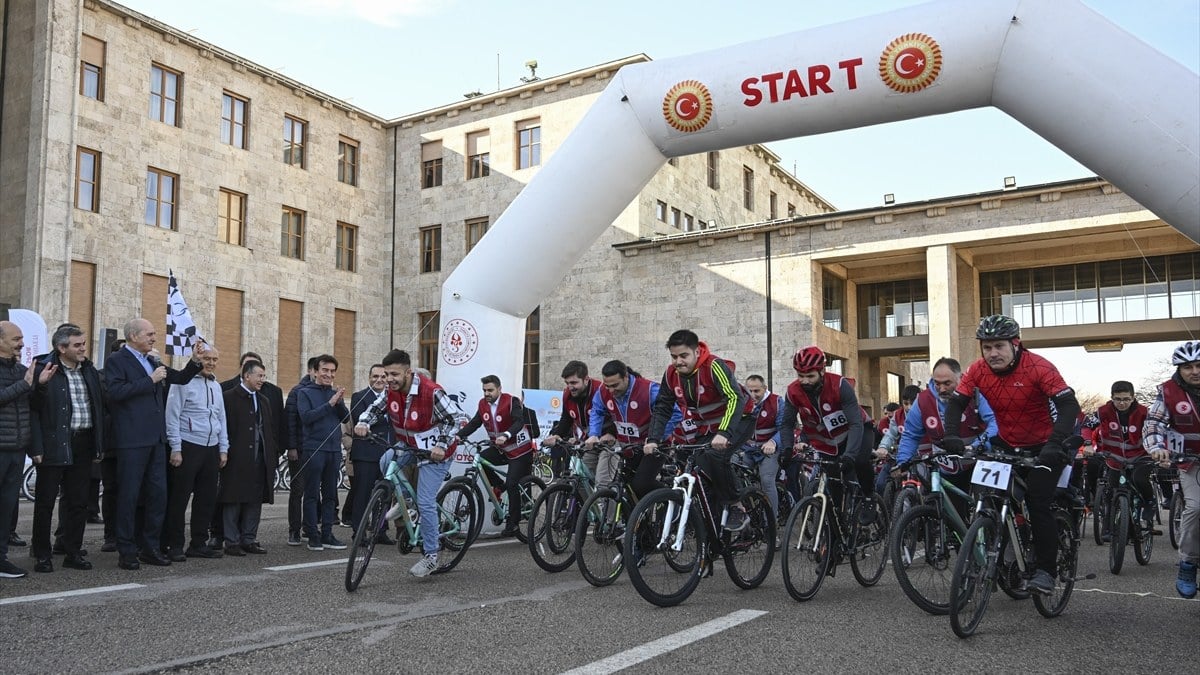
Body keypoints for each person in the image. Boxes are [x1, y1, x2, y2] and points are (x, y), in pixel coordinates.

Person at [942, 315, 1080, 595]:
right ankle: (1004, 556)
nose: (993, 353)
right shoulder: (978, 370)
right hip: (1007, 444)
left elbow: (1069, 406)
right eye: (987, 347)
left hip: (1045, 446)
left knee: (1037, 500)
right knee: (990, 497)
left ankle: (1046, 571)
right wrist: (952, 435)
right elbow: (956, 403)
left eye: (999, 346)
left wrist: (1056, 443)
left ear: (1015, 344)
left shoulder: (1038, 366)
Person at [104, 318, 206, 570]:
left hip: (156, 440)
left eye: (154, 334)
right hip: (132, 440)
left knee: (157, 496)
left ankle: (151, 547)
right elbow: (114, 393)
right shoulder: (117, 360)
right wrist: (149, 380)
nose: (154, 338)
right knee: (129, 496)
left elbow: (179, 378)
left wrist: (194, 361)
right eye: (149, 334)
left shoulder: (152, 360)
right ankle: (127, 549)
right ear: (133, 336)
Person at [355, 349, 467, 577]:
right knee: (386, 460)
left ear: (408, 372)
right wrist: (363, 422)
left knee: (425, 501)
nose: (389, 379)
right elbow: (374, 409)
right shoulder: (390, 390)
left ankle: (431, 556)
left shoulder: (431, 392)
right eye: (387, 374)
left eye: (395, 374)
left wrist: (442, 445)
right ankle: (406, 502)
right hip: (410, 444)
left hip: (436, 453)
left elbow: (456, 419)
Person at [643, 330, 751, 531]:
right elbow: (663, 407)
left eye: (683, 356)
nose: (678, 362)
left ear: (696, 352)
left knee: (717, 455)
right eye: (674, 357)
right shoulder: (671, 374)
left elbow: (735, 398)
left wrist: (724, 432)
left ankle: (736, 506)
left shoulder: (714, 366)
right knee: (699, 469)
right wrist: (653, 439)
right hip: (707, 427)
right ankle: (712, 529)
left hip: (739, 419)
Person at [28, 324, 104, 573]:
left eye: (83, 344)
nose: (83, 349)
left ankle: (73, 551)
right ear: (62, 348)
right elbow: (33, 410)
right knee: (45, 502)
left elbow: (97, 407)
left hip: (83, 442)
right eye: (77, 345)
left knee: (78, 502)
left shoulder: (88, 370)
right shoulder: (44, 368)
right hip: (53, 443)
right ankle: (42, 554)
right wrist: (36, 447)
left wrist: (98, 445)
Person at [778, 345, 876, 520]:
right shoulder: (792, 392)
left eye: (810, 376)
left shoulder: (840, 385)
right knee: (834, 489)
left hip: (856, 432)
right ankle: (836, 529)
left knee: (860, 462)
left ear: (822, 371)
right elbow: (786, 424)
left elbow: (855, 423)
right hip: (826, 443)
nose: (804, 381)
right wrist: (786, 449)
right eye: (800, 376)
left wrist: (849, 455)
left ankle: (869, 497)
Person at [895, 357, 997, 518]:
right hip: (948, 467)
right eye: (937, 383)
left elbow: (994, 423)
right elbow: (910, 435)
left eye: (947, 383)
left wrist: (978, 444)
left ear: (960, 378)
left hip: (979, 461)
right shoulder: (923, 400)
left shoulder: (975, 394)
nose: (941, 389)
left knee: (987, 510)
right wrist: (903, 462)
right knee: (954, 517)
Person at [1142, 340, 1200, 599]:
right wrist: (1156, 447)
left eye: (1199, 365)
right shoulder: (1167, 392)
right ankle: (1188, 563)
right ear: (1179, 369)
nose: (1194, 371)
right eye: (1188, 367)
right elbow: (1154, 423)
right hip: (1192, 462)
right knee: (1196, 508)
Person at [0, 320, 57, 578]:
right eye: (16, 339)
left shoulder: (23, 370)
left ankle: (1, 559)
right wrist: (26, 384)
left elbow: (32, 408)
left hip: (17, 449)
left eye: (22, 338)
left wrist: (40, 384)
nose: (22, 344)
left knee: (6, 508)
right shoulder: (23, 376)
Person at [163, 345, 228, 561]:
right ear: (198, 359)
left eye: (214, 359)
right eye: (207, 358)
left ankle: (198, 543)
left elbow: (221, 419)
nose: (211, 363)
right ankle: (174, 545)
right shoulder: (183, 382)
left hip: (211, 448)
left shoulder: (216, 386)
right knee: (179, 499)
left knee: (206, 499)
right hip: (188, 445)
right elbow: (172, 416)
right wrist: (176, 447)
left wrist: (223, 448)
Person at [218, 351, 286, 546]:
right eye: (259, 376)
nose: (262, 380)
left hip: (260, 458)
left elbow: (270, 428)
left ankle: (249, 538)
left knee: (255, 500)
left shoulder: (263, 400)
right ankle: (231, 541)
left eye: (264, 376)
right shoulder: (229, 397)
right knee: (233, 499)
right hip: (236, 458)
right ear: (247, 376)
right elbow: (223, 427)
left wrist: (273, 452)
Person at [585, 360, 678, 499]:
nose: (611, 390)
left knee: (641, 485)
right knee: (625, 486)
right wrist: (594, 434)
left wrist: (657, 437)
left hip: (654, 446)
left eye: (615, 385)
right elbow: (597, 411)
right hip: (627, 447)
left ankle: (675, 499)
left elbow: (674, 413)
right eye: (607, 385)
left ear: (626, 377)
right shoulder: (603, 392)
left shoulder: (649, 390)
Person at [458, 374, 535, 537]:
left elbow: (519, 421)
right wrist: (458, 436)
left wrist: (506, 434)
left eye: (490, 390)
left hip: (520, 450)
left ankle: (513, 524)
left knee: (512, 483)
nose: (487, 393)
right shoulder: (482, 404)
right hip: (501, 448)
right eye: (484, 390)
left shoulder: (511, 401)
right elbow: (474, 423)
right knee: (481, 460)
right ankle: (499, 485)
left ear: (499, 389)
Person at [1084, 381, 1151, 543]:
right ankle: (1108, 527)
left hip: (1140, 456)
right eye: (1118, 399)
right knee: (1111, 491)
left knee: (1140, 480)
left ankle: (1149, 505)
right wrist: (1088, 444)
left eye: (1126, 399)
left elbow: (1157, 430)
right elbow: (1086, 426)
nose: (1122, 403)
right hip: (1114, 458)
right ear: (1112, 398)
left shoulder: (1144, 413)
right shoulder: (1102, 412)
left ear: (1133, 398)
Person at [295, 354, 349, 551]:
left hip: (333, 450)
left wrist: (339, 402)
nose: (329, 374)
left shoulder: (334, 393)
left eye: (332, 371)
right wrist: (330, 404)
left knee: (330, 495)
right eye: (325, 370)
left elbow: (346, 419)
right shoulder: (304, 393)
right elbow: (307, 418)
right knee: (311, 494)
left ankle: (327, 533)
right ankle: (312, 535)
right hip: (314, 449)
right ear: (315, 371)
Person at [346, 364, 393, 543]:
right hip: (366, 453)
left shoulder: (394, 398)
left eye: (383, 376)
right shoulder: (359, 397)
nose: (379, 380)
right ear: (369, 378)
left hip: (387, 453)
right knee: (363, 494)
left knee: (385, 494)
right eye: (375, 376)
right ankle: (359, 532)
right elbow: (361, 418)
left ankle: (380, 530)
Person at [542, 361, 606, 478]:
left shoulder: (601, 390)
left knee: (603, 478)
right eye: (567, 383)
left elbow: (613, 416)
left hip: (608, 437)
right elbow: (566, 418)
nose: (570, 387)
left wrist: (607, 434)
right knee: (581, 476)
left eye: (574, 383)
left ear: (586, 379)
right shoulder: (567, 394)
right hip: (587, 441)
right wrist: (557, 434)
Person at [283, 357, 318, 546]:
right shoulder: (297, 391)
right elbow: (289, 421)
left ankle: (309, 527)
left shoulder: (323, 392)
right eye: (318, 370)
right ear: (311, 370)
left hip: (316, 449)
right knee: (297, 490)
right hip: (299, 449)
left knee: (313, 491)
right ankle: (294, 530)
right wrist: (291, 447)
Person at [740, 374, 782, 517]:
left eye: (757, 391)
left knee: (767, 481)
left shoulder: (777, 402)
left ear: (765, 388)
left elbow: (784, 428)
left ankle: (771, 521)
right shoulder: (742, 402)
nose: (753, 395)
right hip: (748, 449)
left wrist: (773, 442)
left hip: (769, 450)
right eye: (750, 391)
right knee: (736, 475)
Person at [874, 386, 920, 496]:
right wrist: (883, 447)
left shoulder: (926, 412)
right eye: (905, 403)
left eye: (912, 403)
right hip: (900, 455)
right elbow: (890, 434)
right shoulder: (897, 416)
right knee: (881, 484)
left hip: (922, 457)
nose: (909, 407)